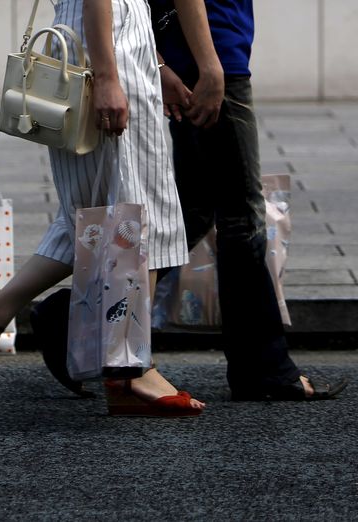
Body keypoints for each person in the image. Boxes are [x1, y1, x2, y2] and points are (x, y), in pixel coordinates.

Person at [0, 0, 205, 416]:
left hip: (106, 46)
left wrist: (153, 64)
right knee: (137, 216)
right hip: (105, 52)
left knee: (91, 215)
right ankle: (131, 368)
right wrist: (108, 77)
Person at [150, 0, 347, 400]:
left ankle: (72, 320)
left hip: (196, 52)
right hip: (211, 55)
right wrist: (210, 65)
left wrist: (161, 62)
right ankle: (264, 367)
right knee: (242, 218)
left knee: (195, 210)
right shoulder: (212, 59)